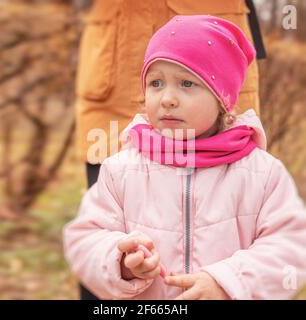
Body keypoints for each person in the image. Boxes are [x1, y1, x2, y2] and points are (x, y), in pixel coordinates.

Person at [64, 15, 306, 300]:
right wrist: (122, 261)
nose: (167, 98)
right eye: (156, 83)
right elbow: (85, 238)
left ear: (222, 100)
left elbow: (291, 246)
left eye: (187, 84)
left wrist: (227, 283)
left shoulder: (261, 173)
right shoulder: (121, 169)